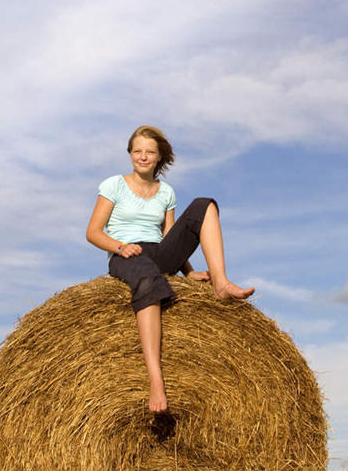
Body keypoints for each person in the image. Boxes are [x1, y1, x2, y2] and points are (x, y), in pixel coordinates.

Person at [86, 125, 254, 413]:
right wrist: (119, 247)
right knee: (148, 282)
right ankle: (155, 380)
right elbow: (93, 232)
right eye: (137, 151)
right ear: (129, 154)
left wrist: (187, 271)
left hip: (159, 252)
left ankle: (222, 283)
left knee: (205, 205)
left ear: (159, 157)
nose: (143, 156)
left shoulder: (166, 192)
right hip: (127, 253)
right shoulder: (113, 185)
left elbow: (170, 236)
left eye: (149, 152)